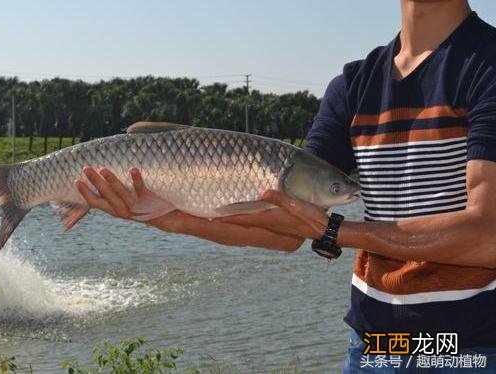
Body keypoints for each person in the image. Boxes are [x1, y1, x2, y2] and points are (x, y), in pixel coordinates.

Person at [75, 0, 496, 371]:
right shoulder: (354, 84)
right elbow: (285, 230)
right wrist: (169, 217)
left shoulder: (487, 65)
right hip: (375, 346)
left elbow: (487, 237)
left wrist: (335, 232)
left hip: (472, 348)